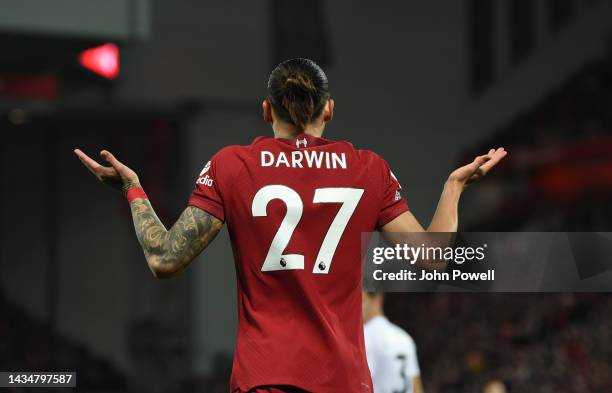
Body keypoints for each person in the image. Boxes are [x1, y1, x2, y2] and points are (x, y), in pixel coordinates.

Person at [74, 58, 506, 393]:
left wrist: (133, 190)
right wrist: (454, 188)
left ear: (267, 110)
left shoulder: (232, 167)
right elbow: (431, 262)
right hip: (344, 381)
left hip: (266, 377)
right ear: (330, 110)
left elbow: (164, 259)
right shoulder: (368, 170)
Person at [363, 291, 424, 393]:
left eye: (362, 300)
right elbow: (416, 389)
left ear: (377, 300)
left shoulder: (362, 338)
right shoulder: (404, 338)